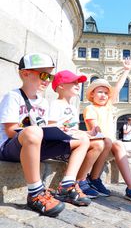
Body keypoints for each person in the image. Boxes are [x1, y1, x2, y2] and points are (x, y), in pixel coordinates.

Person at [0, 53, 91, 217]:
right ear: (25, 73)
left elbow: (44, 127)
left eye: (50, 76)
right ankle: (35, 192)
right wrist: (33, 131)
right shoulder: (13, 96)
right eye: (43, 74)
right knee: (34, 132)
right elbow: (10, 130)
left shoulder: (42, 102)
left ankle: (67, 185)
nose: (48, 80)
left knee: (83, 138)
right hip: (11, 147)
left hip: (36, 145)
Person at [83, 58, 131, 204]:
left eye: (106, 93)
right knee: (117, 143)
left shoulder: (108, 106)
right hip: (102, 146)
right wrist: (100, 132)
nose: (104, 95)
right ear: (92, 94)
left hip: (113, 145)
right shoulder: (90, 108)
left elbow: (117, 88)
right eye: (100, 92)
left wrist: (126, 70)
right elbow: (95, 130)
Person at [48, 70, 108, 198]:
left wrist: (89, 133)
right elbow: (51, 127)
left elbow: (73, 129)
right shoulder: (55, 104)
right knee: (93, 143)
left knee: (99, 144)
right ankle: (74, 182)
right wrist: (77, 134)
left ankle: (80, 180)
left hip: (72, 142)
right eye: (73, 82)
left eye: (78, 83)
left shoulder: (74, 108)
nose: (78, 85)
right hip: (60, 145)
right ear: (61, 86)